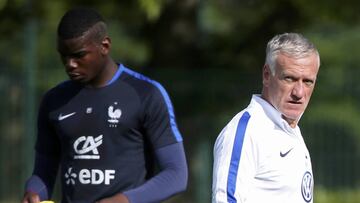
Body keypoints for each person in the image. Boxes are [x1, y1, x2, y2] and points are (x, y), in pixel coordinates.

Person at [22, 7, 187, 203]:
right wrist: (34, 192)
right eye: (64, 56)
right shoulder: (54, 101)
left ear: (105, 46)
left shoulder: (146, 94)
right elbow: (43, 172)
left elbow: (176, 175)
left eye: (79, 55)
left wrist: (123, 200)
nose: (70, 64)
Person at [212, 33, 320, 203]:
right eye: (289, 78)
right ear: (267, 75)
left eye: (307, 81)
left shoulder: (290, 130)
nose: (299, 92)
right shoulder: (246, 131)